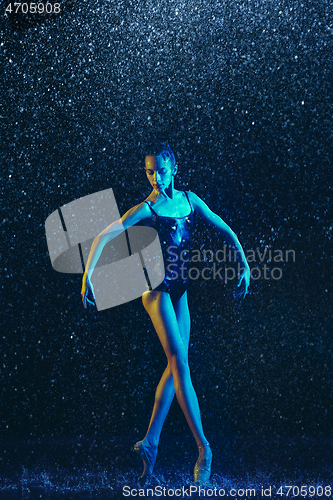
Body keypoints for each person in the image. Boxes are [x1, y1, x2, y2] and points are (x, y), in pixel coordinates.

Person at [81, 142, 250, 485]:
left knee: (176, 370)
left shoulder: (190, 201)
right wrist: (88, 276)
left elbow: (224, 227)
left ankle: (150, 443)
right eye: (149, 171)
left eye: (160, 169)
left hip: (181, 290)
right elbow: (105, 234)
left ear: (173, 166)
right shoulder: (149, 207)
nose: (155, 177)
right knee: (180, 364)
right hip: (155, 289)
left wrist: (244, 263)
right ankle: (204, 449)